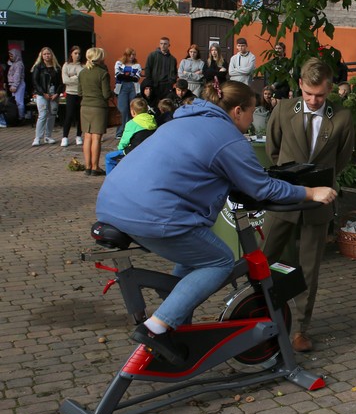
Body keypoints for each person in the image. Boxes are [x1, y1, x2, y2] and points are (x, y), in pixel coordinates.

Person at [95, 80, 337, 366]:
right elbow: (263, 189)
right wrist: (311, 192)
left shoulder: (181, 120)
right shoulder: (227, 136)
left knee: (195, 256)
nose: (252, 120)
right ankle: (156, 330)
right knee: (219, 261)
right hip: (152, 214)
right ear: (238, 111)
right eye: (252, 112)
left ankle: (179, 328)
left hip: (113, 203)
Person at [263, 57, 355, 352]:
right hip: (283, 200)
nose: (314, 100)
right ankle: (257, 314)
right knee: (266, 259)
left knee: (308, 269)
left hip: (318, 206)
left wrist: (320, 186)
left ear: (329, 90)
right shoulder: (283, 110)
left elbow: (340, 160)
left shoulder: (341, 118)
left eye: (320, 95)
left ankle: (300, 329)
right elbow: (273, 151)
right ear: (300, 85)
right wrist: (291, 184)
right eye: (309, 93)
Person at [79, 47, 112, 176]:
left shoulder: (82, 72)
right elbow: (106, 94)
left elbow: (80, 92)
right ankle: (95, 167)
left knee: (87, 136)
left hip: (85, 106)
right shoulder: (103, 73)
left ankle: (87, 166)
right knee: (97, 137)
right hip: (98, 107)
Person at [104, 97, 158, 174]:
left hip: (133, 150)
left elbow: (125, 140)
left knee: (109, 158)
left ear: (132, 112)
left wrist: (120, 148)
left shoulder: (131, 123)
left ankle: (110, 180)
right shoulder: (153, 120)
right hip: (149, 150)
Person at [31, 47, 63, 146]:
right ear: (41, 55)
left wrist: (57, 93)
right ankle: (37, 137)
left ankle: (48, 136)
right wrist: (42, 93)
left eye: (48, 54)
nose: (46, 56)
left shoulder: (57, 67)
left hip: (54, 93)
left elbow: (61, 82)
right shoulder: (38, 67)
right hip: (42, 94)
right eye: (44, 54)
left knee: (52, 114)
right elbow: (35, 81)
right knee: (43, 114)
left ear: (52, 55)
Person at [114, 48, 143, 139]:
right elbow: (118, 75)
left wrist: (125, 76)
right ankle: (120, 131)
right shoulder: (119, 63)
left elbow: (136, 78)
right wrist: (130, 76)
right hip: (121, 87)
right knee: (122, 109)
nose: (131, 56)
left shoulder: (137, 65)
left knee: (133, 109)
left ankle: (130, 131)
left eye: (133, 55)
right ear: (125, 55)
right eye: (130, 54)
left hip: (133, 88)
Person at [60, 46, 85, 147]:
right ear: (71, 54)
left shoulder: (83, 66)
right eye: (75, 53)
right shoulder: (66, 65)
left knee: (80, 116)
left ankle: (78, 136)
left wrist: (72, 77)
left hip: (80, 93)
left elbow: (83, 79)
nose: (77, 55)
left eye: (79, 53)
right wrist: (76, 77)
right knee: (69, 115)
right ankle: (65, 137)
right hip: (70, 93)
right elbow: (65, 80)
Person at [143, 37, 177, 107]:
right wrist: (149, 83)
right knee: (153, 106)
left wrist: (171, 82)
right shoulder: (152, 55)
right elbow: (148, 69)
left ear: (169, 45)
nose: (163, 45)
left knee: (165, 106)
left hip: (167, 86)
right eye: (161, 43)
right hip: (154, 85)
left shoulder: (172, 59)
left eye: (165, 44)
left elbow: (174, 73)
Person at [6, 49, 26, 121]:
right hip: (15, 84)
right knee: (16, 101)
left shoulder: (18, 64)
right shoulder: (15, 63)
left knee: (18, 102)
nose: (11, 57)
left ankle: (21, 117)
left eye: (12, 55)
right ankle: (18, 116)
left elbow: (17, 75)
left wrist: (14, 85)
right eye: (10, 55)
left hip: (18, 84)